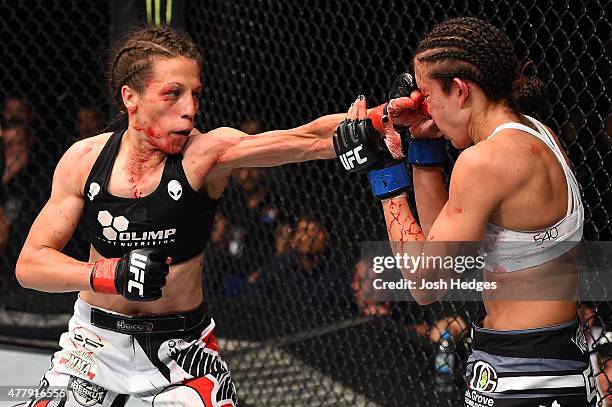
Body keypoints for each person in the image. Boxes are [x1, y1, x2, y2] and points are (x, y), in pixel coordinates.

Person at [16, 26, 344, 406]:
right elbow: (30, 265)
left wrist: (378, 121)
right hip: (93, 346)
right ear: (130, 98)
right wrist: (109, 275)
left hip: (182, 352)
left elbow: (303, 140)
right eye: (173, 94)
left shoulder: (204, 155)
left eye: (195, 95)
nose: (190, 109)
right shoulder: (84, 160)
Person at [334, 17, 594, 406]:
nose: (423, 107)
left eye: (427, 96)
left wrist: (384, 173)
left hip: (522, 374)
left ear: (459, 90)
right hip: (555, 362)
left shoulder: (485, 161)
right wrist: (423, 149)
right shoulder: (539, 133)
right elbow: (449, 255)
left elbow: (425, 286)